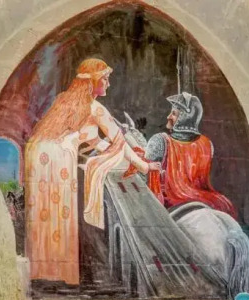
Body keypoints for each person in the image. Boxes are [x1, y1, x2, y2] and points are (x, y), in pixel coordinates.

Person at [25, 58, 159, 285]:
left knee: (47, 213)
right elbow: (120, 142)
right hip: (59, 159)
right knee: (62, 212)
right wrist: (144, 166)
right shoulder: (96, 109)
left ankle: (46, 271)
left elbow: (96, 141)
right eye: (105, 79)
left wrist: (132, 161)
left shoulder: (64, 100)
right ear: (93, 82)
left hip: (39, 155)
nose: (108, 84)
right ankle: (61, 273)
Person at [144, 92, 237, 219]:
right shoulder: (207, 144)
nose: (168, 116)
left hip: (171, 201)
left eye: (174, 114)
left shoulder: (160, 141)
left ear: (185, 118)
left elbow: (147, 177)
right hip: (206, 199)